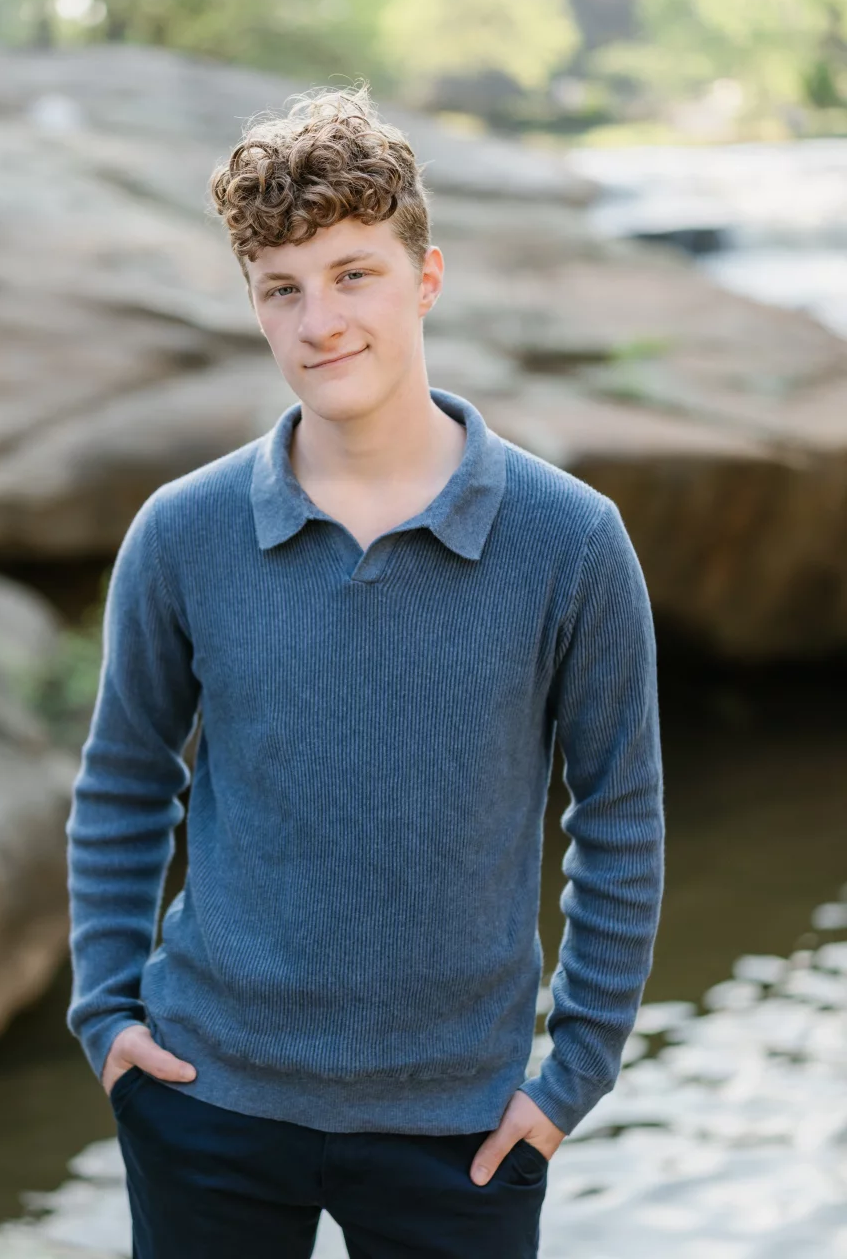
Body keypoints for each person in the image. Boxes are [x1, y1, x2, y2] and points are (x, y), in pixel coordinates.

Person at [65, 82, 666, 1259]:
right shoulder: (181, 533)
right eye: (280, 289)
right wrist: (108, 1017)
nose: (318, 320)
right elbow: (127, 780)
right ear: (252, 304)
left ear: (425, 278)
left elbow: (622, 815)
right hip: (206, 1095)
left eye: (354, 275)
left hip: (465, 1128)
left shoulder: (573, 540)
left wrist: (571, 1075)